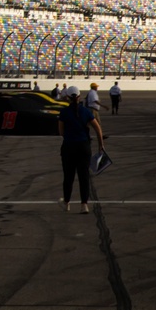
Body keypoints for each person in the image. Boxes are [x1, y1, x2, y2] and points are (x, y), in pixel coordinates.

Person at [58, 86, 105, 214]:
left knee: (68, 176)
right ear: (79, 96)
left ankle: (66, 202)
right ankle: (84, 204)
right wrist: (101, 145)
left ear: (67, 97)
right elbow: (98, 129)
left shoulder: (64, 112)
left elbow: (61, 131)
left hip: (69, 147)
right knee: (84, 176)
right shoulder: (86, 112)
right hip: (83, 146)